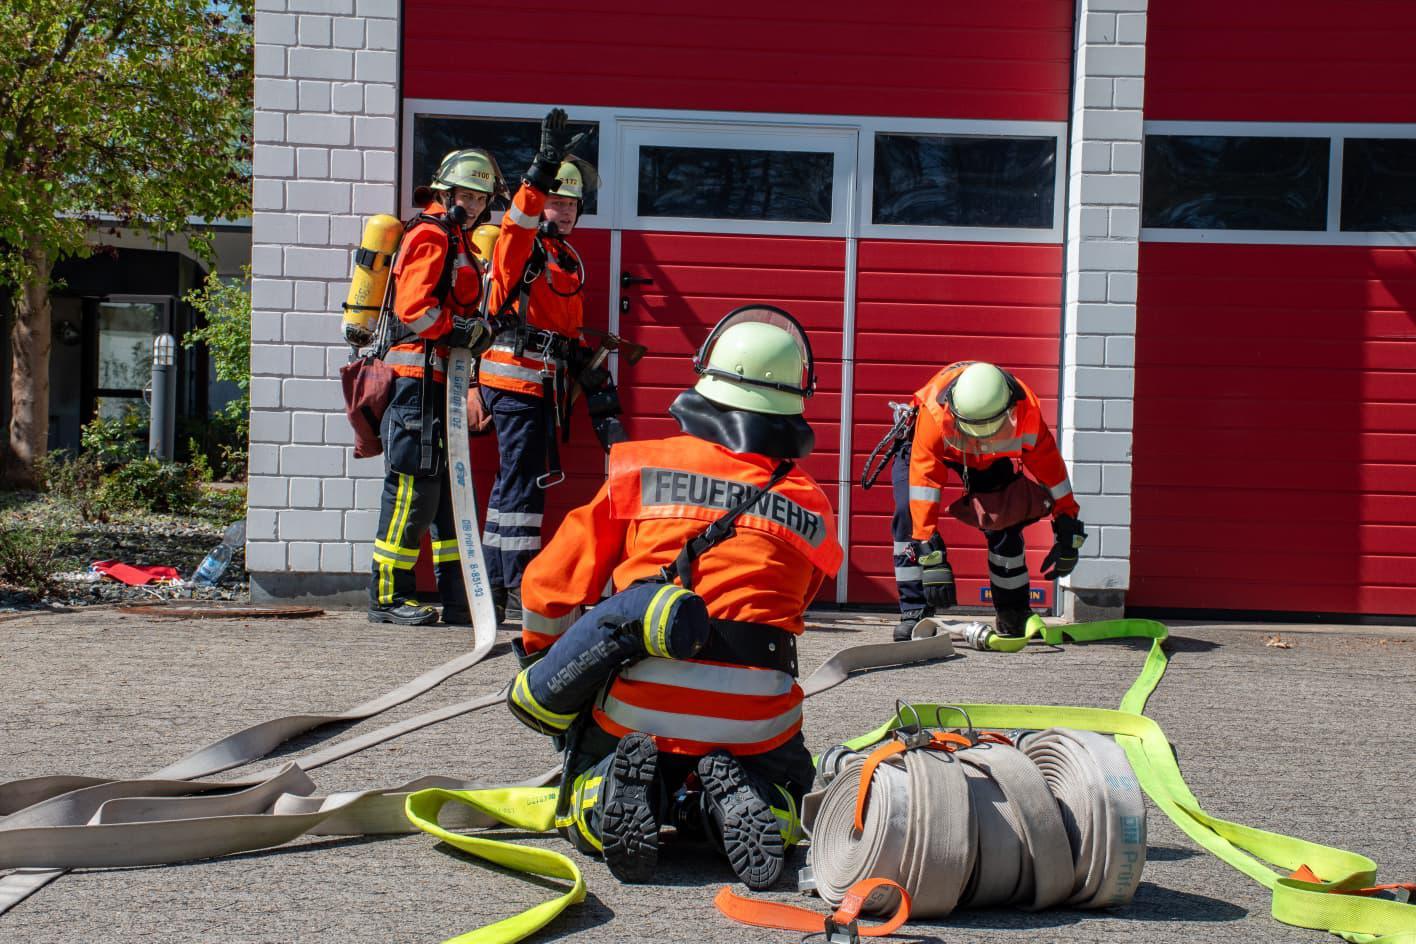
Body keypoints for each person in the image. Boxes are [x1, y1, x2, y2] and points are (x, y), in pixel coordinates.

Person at [505, 306, 842, 889]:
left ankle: (602, 792)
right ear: (795, 402)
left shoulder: (642, 466)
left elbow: (550, 584)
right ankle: (735, 804)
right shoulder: (810, 500)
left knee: (592, 770)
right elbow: (797, 602)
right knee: (790, 794)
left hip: (640, 703)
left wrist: (556, 667)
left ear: (706, 384)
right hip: (757, 713)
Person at [480, 108, 626, 624]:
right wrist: (541, 167)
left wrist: (584, 360)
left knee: (513, 482)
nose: (563, 213)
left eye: (571, 205)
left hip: (541, 381)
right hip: (514, 377)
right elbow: (518, 216)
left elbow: (560, 327)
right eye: (556, 203)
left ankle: (496, 585)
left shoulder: (567, 259)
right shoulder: (520, 247)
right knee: (523, 486)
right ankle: (518, 586)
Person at [367, 149, 502, 626]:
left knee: (446, 490)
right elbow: (414, 309)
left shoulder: (460, 240)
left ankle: (458, 596)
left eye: (482, 198)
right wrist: (455, 329)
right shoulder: (430, 234)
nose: (475, 204)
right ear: (445, 194)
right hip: (415, 380)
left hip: (441, 380)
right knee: (412, 489)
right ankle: (387, 599)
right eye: (467, 195)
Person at [890, 361, 1086, 641]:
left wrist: (1067, 522)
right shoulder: (935, 414)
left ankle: (1014, 612)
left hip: (989, 458)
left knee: (1005, 520)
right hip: (926, 448)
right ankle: (915, 611)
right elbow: (925, 485)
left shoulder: (1026, 412)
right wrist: (930, 555)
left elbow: (1051, 472)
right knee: (908, 514)